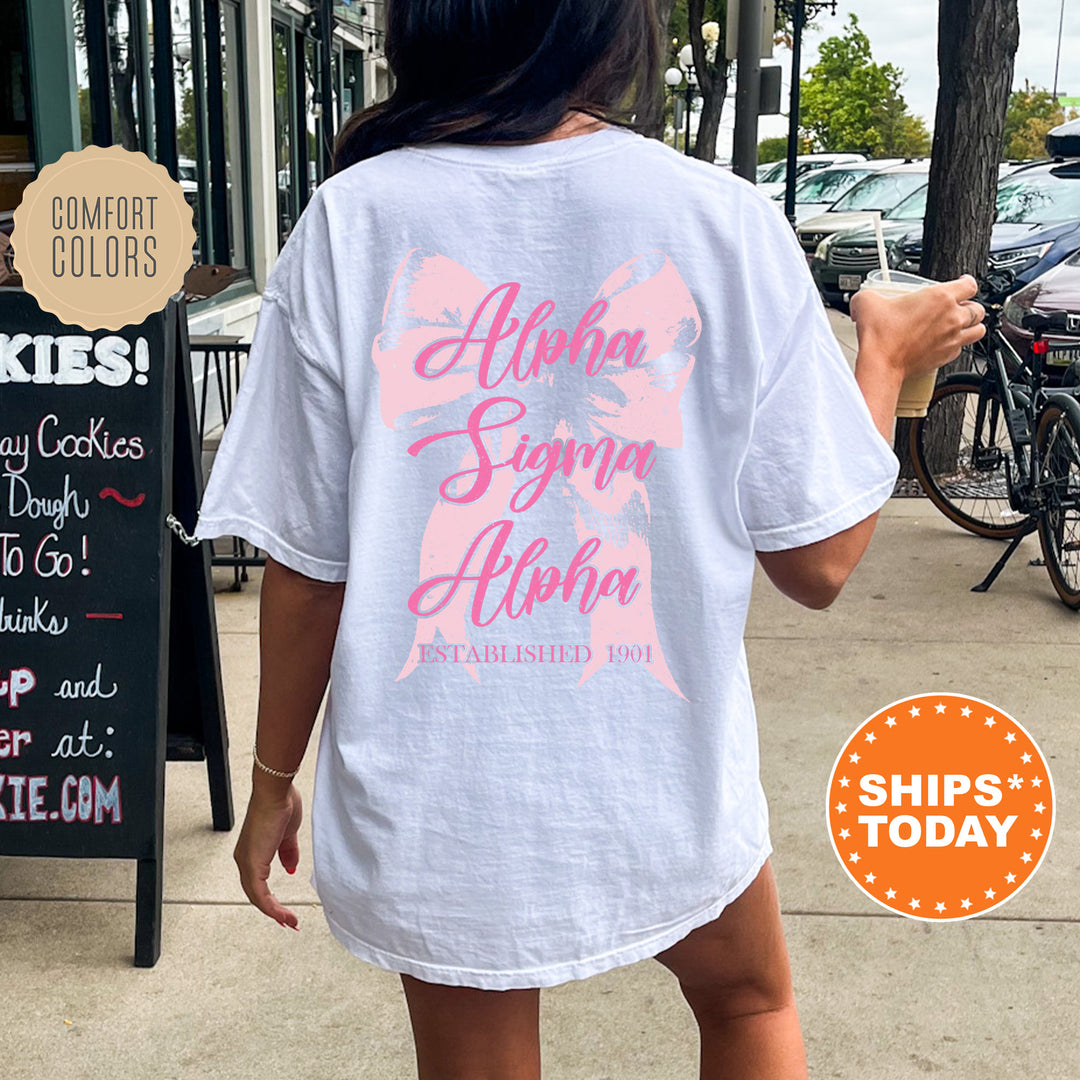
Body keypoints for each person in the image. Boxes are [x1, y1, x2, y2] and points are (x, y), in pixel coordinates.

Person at [194, 3, 986, 1077]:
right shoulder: (720, 219)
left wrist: (273, 777)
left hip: (443, 788)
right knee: (749, 1005)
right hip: (658, 768)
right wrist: (884, 362)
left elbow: (308, 569)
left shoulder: (350, 221)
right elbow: (821, 561)